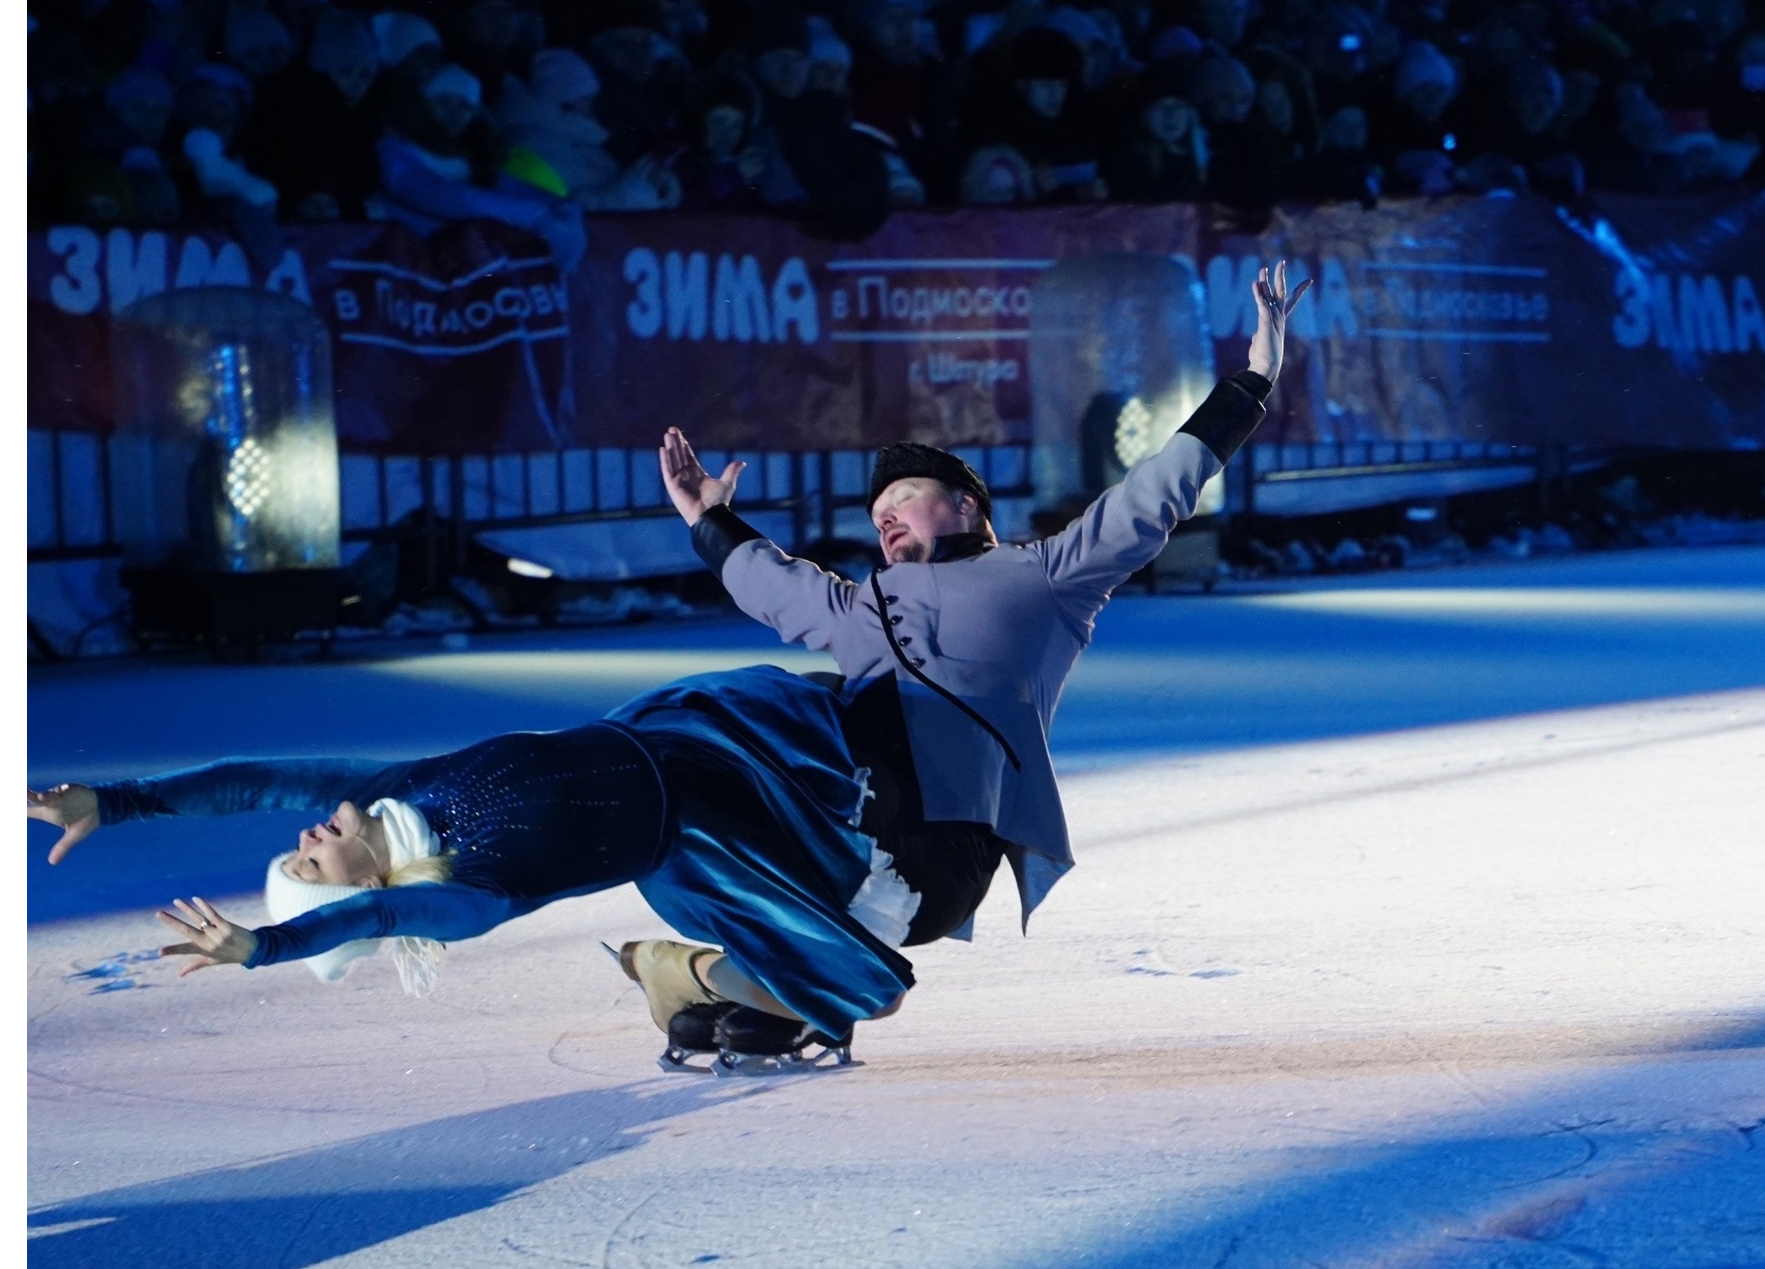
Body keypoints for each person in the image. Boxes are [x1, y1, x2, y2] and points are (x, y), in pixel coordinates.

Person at [647, 261, 1312, 1022]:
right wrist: (709, 519)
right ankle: (740, 966)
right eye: (877, 512)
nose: (884, 517)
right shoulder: (859, 606)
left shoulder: (1045, 578)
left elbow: (1151, 494)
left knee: (828, 718)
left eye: (902, 499)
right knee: (762, 702)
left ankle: (787, 973)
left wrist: (1253, 380)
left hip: (941, 855)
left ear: (965, 505)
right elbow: (769, 582)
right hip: (846, 820)